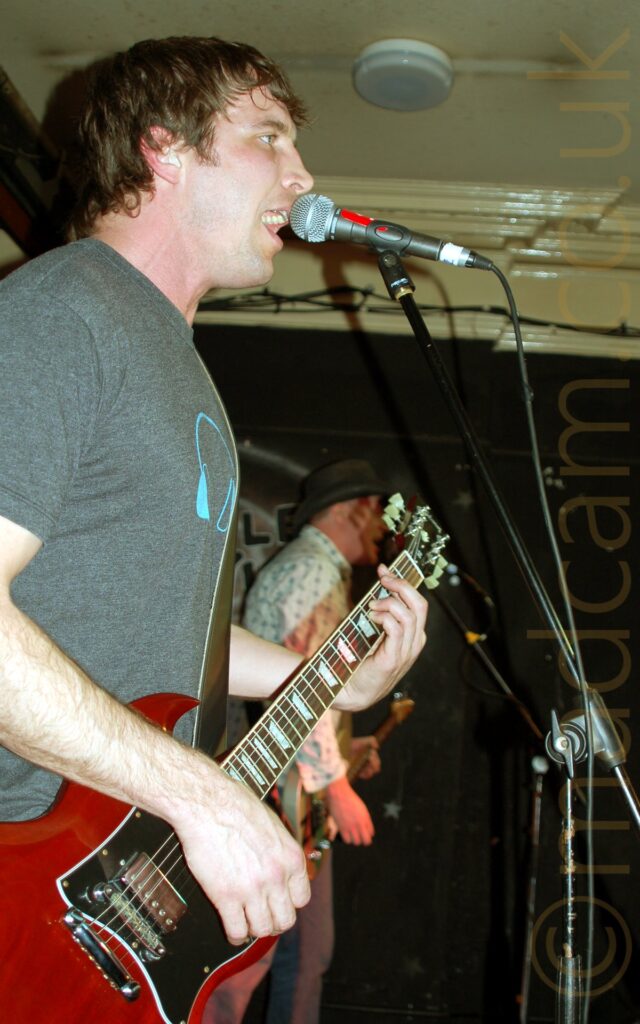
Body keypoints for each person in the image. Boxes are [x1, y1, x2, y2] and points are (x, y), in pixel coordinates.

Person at [0, 33, 428, 1010]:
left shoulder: (185, 376)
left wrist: (326, 676)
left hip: (96, 908)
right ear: (166, 149)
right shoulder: (66, 313)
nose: (303, 173)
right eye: (268, 136)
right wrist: (200, 794)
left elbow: (159, 634)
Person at [206, 458, 398, 1024]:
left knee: (299, 953)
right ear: (345, 510)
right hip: (285, 796)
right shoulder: (312, 572)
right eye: (374, 513)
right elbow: (299, 693)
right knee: (252, 962)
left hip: (296, 795)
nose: (382, 529)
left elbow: (309, 686)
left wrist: (348, 747)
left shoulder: (321, 572)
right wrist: (335, 783)